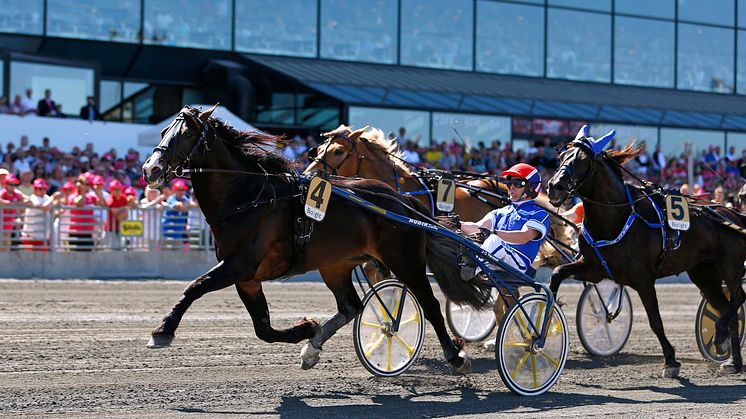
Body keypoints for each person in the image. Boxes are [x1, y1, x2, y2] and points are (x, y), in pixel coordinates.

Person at [458, 163, 550, 336]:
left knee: (492, 239)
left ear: (530, 188)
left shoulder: (539, 214)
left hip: (518, 265)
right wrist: (458, 224)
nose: (511, 187)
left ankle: (472, 268)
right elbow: (478, 227)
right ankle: (469, 265)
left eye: (518, 183)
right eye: (509, 183)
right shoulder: (502, 212)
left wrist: (494, 233)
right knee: (468, 239)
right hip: (496, 260)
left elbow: (524, 236)